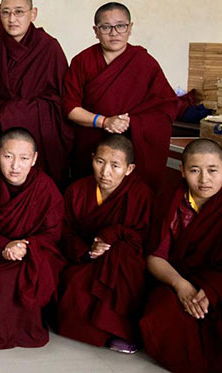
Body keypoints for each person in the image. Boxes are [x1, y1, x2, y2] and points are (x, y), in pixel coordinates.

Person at [140, 139, 222, 373]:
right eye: (194, 170)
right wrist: (181, 286)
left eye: (212, 170)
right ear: (182, 171)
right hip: (182, 279)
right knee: (158, 314)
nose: (204, 180)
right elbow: (155, 257)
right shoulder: (169, 201)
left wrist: (212, 289)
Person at [62, 2, 177, 190]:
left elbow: (166, 107)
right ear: (96, 30)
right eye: (106, 27)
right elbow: (70, 107)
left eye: (121, 26)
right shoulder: (82, 62)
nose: (114, 33)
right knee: (87, 196)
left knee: (131, 200)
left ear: (130, 28)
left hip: (130, 150)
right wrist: (105, 121)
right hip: (90, 147)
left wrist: (132, 123)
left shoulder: (144, 63)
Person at [0, 127, 65, 349]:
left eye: (23, 158)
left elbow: (53, 233)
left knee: (19, 278)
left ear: (34, 159)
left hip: (35, 253)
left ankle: (28, 332)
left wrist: (25, 246)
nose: (15, 166)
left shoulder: (45, 187)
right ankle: (0, 332)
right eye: (8, 156)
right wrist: (5, 246)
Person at [56, 135, 151, 353]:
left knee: (124, 256)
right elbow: (64, 229)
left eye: (115, 165)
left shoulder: (140, 194)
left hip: (120, 259)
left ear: (129, 169)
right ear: (92, 159)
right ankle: (89, 330)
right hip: (84, 255)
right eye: (100, 162)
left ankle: (118, 330)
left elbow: (142, 237)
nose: (105, 172)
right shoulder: (77, 190)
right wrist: (87, 251)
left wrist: (113, 235)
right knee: (74, 284)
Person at [0, 0, 72, 184]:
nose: (11, 19)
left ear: (33, 14)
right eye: (5, 12)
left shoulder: (49, 48)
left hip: (39, 137)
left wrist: (11, 112)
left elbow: (59, 100)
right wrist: (2, 112)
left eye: (19, 12)